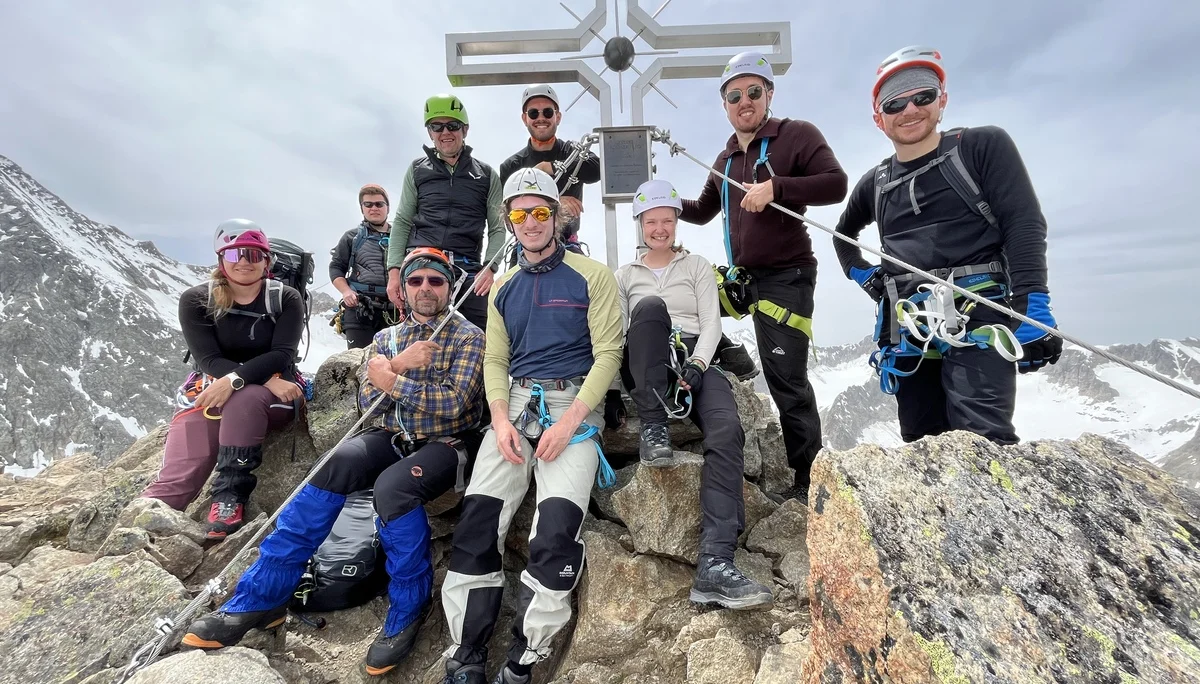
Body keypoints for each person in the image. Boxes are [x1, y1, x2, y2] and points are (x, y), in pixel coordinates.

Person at [183, 247, 486, 676]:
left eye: (435, 281)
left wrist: (391, 379)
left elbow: (455, 406)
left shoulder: (468, 336)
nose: (425, 289)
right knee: (333, 465)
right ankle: (263, 594)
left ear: (448, 287)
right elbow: (366, 401)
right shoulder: (386, 340)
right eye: (416, 280)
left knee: (393, 489)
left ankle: (409, 604)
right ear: (405, 289)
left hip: (446, 442)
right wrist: (398, 365)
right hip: (390, 433)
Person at [438, 168, 623, 684]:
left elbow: (609, 353)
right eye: (520, 213)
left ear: (558, 217)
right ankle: (467, 650)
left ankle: (527, 652)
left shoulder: (593, 276)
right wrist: (499, 420)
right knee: (478, 521)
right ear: (508, 220)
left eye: (541, 211)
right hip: (515, 408)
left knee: (557, 528)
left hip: (574, 409)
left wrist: (568, 423)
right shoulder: (503, 288)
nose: (531, 221)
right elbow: (495, 360)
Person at [832, 45, 1062, 445]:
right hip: (908, 328)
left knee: (982, 441)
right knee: (921, 441)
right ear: (878, 119)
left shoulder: (981, 147)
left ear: (942, 100)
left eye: (922, 96)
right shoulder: (876, 182)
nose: (909, 109)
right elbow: (842, 235)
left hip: (978, 314)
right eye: (894, 104)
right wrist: (867, 277)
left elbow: (1023, 224)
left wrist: (1032, 306)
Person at [678, 51, 849, 500]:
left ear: (769, 94)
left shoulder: (796, 136)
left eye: (753, 91)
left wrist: (779, 188)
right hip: (743, 278)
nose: (744, 101)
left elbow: (836, 183)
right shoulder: (728, 156)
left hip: (785, 279)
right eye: (734, 95)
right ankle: (730, 353)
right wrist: (662, 203)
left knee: (786, 380)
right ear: (725, 105)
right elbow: (701, 211)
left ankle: (809, 481)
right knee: (680, 304)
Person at [615, 178, 773, 610]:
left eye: (667, 220)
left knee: (725, 430)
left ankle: (715, 564)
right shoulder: (625, 275)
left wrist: (699, 366)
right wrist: (614, 390)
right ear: (640, 224)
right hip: (647, 361)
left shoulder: (697, 265)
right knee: (649, 309)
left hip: (695, 360)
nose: (660, 229)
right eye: (652, 221)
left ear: (676, 222)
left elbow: (712, 324)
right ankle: (654, 426)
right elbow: (614, 334)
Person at [141, 220, 307, 539]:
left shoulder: (285, 299)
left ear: (267, 261)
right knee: (187, 445)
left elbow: (281, 355)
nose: (244, 261)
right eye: (235, 255)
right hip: (222, 391)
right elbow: (208, 360)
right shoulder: (196, 300)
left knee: (244, 398)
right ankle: (150, 513)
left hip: (276, 396)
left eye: (254, 254)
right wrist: (252, 378)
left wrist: (234, 380)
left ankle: (230, 496)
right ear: (221, 260)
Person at [386, 94, 506, 332]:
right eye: (436, 126)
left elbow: (497, 226)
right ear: (430, 133)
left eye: (452, 125)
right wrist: (394, 271)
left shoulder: (487, 175)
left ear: (465, 130)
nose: (445, 132)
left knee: (486, 335)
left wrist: (490, 268)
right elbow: (402, 221)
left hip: (468, 268)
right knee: (421, 338)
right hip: (423, 261)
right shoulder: (417, 170)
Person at [499, 84, 600, 262]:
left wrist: (550, 167)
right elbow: (509, 219)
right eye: (533, 113)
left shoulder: (574, 152)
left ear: (557, 116)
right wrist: (558, 205)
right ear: (524, 118)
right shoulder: (512, 166)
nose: (541, 118)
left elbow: (597, 169)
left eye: (547, 112)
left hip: (568, 248)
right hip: (526, 252)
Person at [329, 183, 401, 348]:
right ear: (362, 209)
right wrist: (346, 291)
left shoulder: (402, 237)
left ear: (387, 208)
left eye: (379, 204)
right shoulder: (352, 237)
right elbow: (336, 267)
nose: (373, 208)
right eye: (368, 204)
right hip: (360, 309)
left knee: (395, 365)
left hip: (395, 309)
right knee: (359, 362)